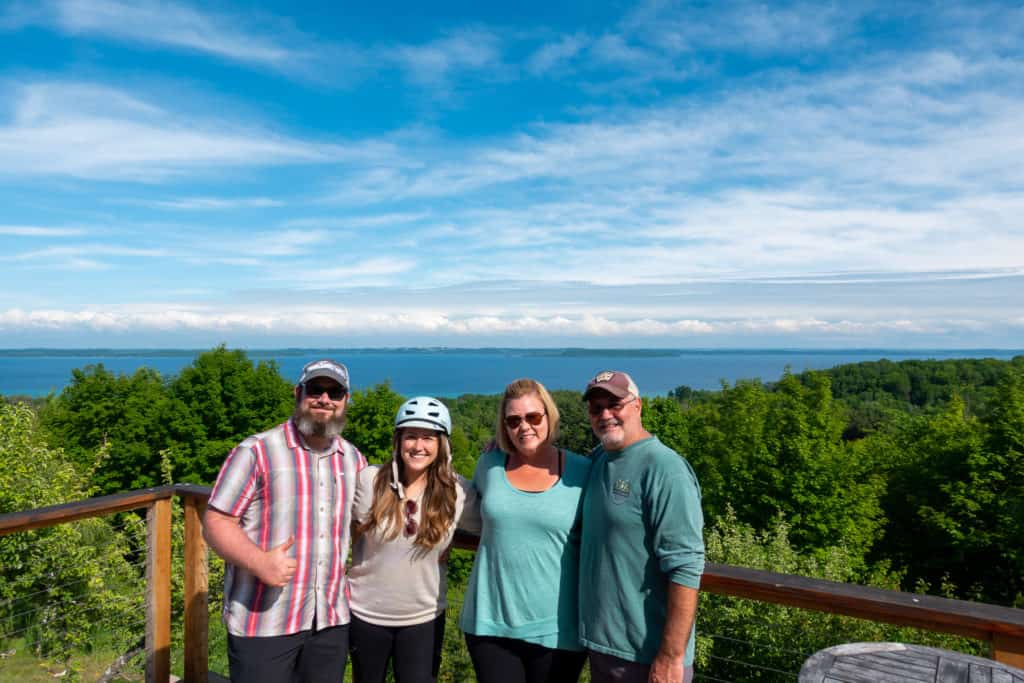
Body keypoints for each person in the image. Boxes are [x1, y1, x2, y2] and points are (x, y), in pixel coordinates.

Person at [203, 359, 366, 683]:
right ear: (298, 393)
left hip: (330, 621)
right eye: (315, 390)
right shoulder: (257, 451)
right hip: (264, 622)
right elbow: (216, 521)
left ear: (346, 400)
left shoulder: (353, 459)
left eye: (334, 392)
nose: (324, 399)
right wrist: (259, 562)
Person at [460, 378, 591, 683]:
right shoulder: (489, 464)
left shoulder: (582, 471)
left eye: (533, 417)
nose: (524, 427)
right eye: (514, 420)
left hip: (558, 629)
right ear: (504, 426)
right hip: (489, 623)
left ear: (549, 417)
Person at [578, 371, 705, 683]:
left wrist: (670, 657)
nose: (605, 415)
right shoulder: (600, 460)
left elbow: (686, 566)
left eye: (615, 404)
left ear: (638, 406)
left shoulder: (665, 468)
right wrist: (503, 448)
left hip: (647, 657)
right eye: (596, 409)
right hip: (605, 649)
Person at [347, 396, 479, 683]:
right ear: (398, 440)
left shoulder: (457, 492)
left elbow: (494, 531)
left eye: (428, 437)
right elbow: (348, 531)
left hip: (424, 617)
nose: (419, 446)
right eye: (411, 436)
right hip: (366, 612)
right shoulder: (370, 481)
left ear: (441, 444)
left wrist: (446, 543)